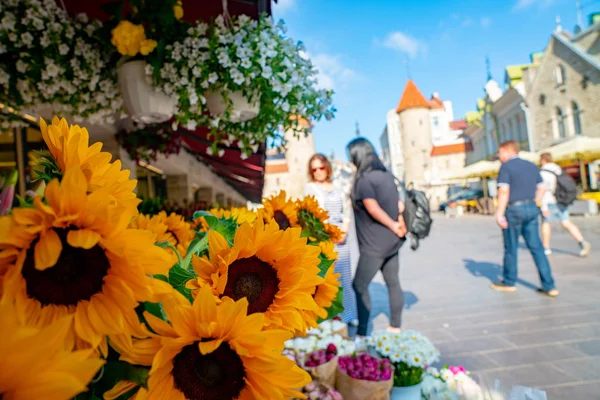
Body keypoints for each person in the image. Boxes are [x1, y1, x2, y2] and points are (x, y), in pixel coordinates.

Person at [346, 137, 407, 336]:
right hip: (392, 241)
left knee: (359, 285)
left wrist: (392, 224)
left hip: (374, 244)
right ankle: (396, 325)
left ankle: (363, 332)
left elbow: (372, 208)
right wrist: (399, 225)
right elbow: (399, 205)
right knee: (393, 282)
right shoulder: (386, 175)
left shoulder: (364, 180)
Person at [492, 141, 558, 297]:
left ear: (508, 151)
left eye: (500, 153)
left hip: (514, 209)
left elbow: (504, 190)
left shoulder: (506, 167)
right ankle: (549, 285)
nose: (499, 156)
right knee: (537, 248)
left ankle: (509, 281)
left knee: (511, 247)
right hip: (531, 208)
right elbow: (542, 187)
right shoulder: (531, 166)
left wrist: (499, 213)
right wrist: (535, 202)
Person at [305, 153, 358, 325]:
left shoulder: (338, 187)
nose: (318, 172)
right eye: (314, 169)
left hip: (341, 239)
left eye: (321, 167)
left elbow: (346, 211)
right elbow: (310, 215)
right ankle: (331, 319)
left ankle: (348, 316)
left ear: (327, 167)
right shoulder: (310, 188)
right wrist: (326, 234)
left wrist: (343, 232)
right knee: (328, 282)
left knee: (344, 279)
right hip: (323, 240)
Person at [539, 152, 591, 257]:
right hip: (561, 199)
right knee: (566, 222)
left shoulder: (544, 172)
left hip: (550, 201)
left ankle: (546, 248)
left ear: (543, 160)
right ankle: (582, 242)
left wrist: (543, 206)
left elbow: (544, 189)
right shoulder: (558, 169)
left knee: (546, 223)